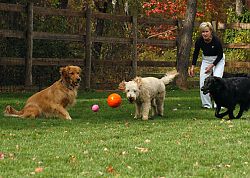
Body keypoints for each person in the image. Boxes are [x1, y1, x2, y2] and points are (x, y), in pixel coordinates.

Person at [189, 22, 225, 109]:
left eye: (206, 31)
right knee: (203, 81)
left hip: (218, 60)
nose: (204, 34)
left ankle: (218, 104)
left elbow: (220, 55)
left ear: (211, 31)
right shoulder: (199, 41)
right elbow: (196, 53)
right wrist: (192, 67)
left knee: (217, 79)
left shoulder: (216, 40)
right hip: (206, 60)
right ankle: (206, 105)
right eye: (203, 32)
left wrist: (212, 66)